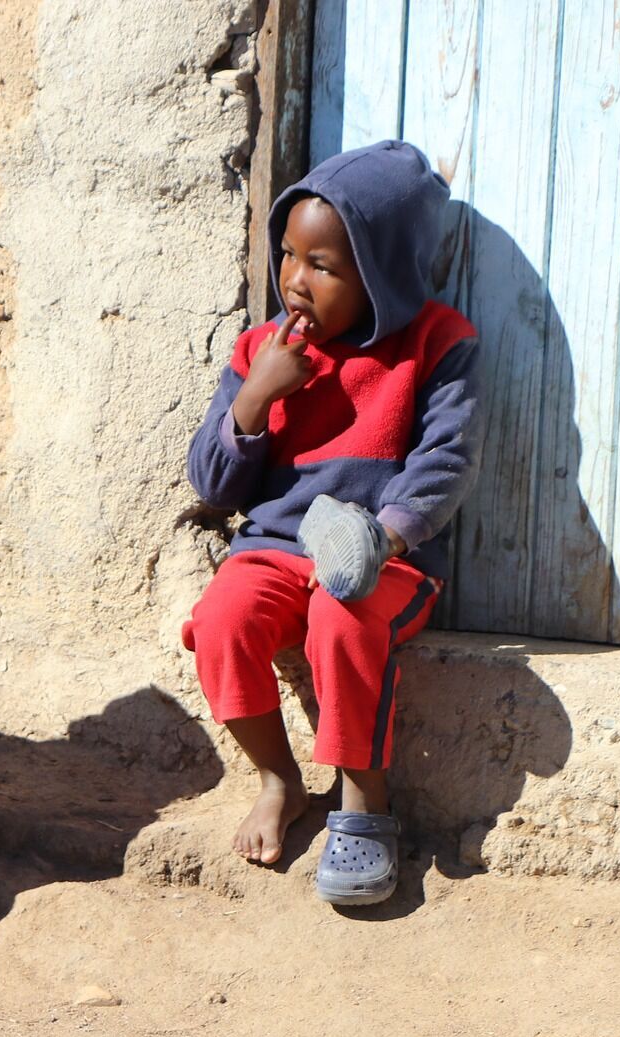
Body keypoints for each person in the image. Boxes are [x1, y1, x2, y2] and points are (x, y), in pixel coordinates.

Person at [182, 140, 479, 904]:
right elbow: (215, 486)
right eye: (287, 255)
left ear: (379, 273)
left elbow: (444, 462)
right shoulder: (263, 349)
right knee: (220, 619)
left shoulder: (435, 344)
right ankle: (280, 779)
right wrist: (258, 395)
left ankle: (362, 801)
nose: (294, 280)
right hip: (276, 549)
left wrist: (384, 536)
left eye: (323, 265)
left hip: (385, 558)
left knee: (341, 618)